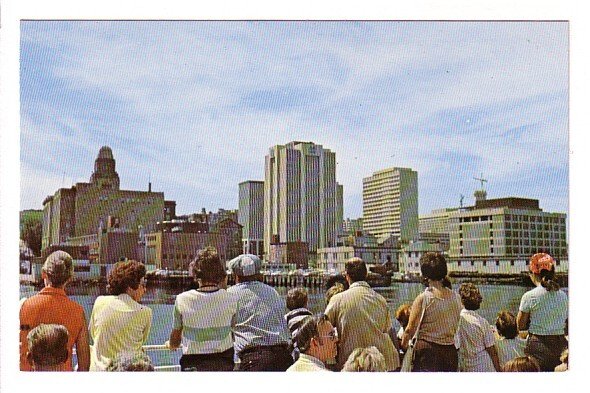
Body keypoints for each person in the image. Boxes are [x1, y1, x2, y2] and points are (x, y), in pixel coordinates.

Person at [168, 248, 238, 371]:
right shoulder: (231, 299)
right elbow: (234, 331)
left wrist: (170, 344)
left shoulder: (182, 299)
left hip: (193, 365)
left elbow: (175, 341)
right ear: (220, 274)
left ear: (196, 273)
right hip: (223, 364)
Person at [19, 251, 90, 371]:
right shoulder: (77, 311)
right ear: (69, 278)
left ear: (44, 274)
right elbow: (84, 364)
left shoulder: (25, 306)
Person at [325, 257, 399, 371]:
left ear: (347, 276)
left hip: (352, 364)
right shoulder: (381, 300)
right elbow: (386, 330)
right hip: (380, 363)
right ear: (366, 276)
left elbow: (323, 329)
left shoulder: (337, 300)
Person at [227, 254, 293, 371]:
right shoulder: (272, 292)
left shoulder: (230, 295)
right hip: (283, 357)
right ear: (258, 274)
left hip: (254, 359)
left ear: (235, 276)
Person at [401, 252, 462, 372]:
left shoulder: (424, 298)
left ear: (425, 273)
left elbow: (410, 329)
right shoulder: (456, 297)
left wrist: (404, 347)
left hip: (428, 353)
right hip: (450, 351)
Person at [89, 259, 152, 371]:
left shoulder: (100, 302)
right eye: (143, 284)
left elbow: (93, 334)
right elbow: (141, 342)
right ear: (130, 286)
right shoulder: (145, 312)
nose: (145, 289)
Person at [517, 253, 568, 371]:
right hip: (560, 344)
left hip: (538, 345)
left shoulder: (529, 296)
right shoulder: (563, 295)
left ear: (533, 273)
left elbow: (520, 325)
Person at [455, 283, 501, 372]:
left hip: (466, 365)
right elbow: (492, 351)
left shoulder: (457, 320)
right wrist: (499, 370)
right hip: (484, 365)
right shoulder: (482, 322)